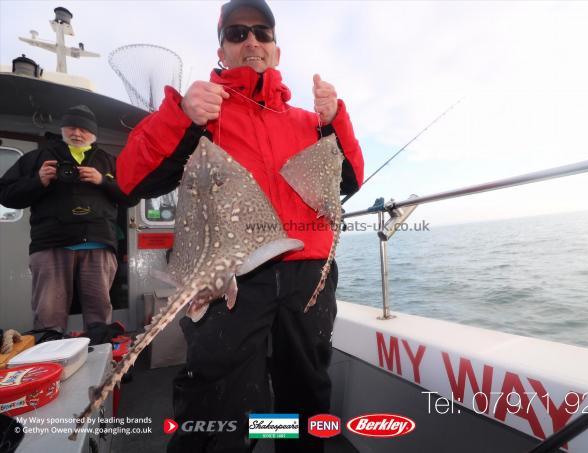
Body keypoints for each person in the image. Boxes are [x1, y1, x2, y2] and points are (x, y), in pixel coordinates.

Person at [115, 0, 364, 451]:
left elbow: (349, 181)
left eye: (262, 33)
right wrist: (182, 115)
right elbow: (133, 179)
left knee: (305, 391)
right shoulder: (202, 113)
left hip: (306, 273)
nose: (251, 41)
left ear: (276, 49)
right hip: (229, 274)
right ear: (222, 50)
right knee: (223, 401)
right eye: (236, 33)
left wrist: (334, 122)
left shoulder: (309, 122)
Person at [0, 104, 137, 334]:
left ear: (93, 134)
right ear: (63, 129)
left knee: (99, 315)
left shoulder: (109, 161)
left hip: (98, 244)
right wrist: (38, 181)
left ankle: (101, 356)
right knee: (48, 316)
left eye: (83, 129)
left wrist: (103, 181)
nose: (77, 133)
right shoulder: (38, 158)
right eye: (71, 127)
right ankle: (50, 358)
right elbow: (5, 194)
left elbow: (131, 197)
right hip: (51, 244)